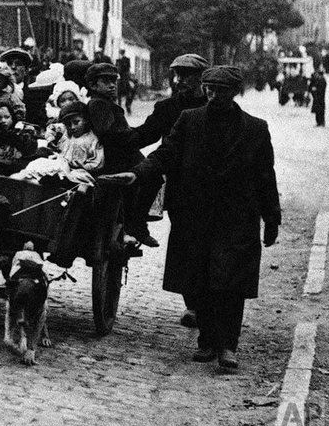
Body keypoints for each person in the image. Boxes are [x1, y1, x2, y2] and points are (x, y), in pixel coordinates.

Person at [113, 65, 281, 373]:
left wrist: (272, 219)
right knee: (200, 278)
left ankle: (228, 346)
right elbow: (166, 153)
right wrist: (137, 174)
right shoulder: (189, 121)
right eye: (210, 89)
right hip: (196, 213)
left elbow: (265, 176)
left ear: (235, 93)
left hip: (237, 215)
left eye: (222, 90)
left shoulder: (255, 129)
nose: (214, 95)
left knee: (231, 282)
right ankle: (206, 340)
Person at [129, 52, 210, 324]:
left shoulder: (213, 107)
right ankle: (193, 305)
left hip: (212, 186)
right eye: (178, 76)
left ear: (201, 78)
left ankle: (211, 302)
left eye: (187, 76)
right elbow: (144, 136)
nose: (181, 81)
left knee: (210, 244)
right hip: (180, 185)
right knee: (185, 243)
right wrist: (112, 139)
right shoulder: (167, 109)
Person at [84, 62, 153, 247]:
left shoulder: (106, 103)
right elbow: (109, 134)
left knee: (149, 172)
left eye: (114, 80)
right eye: (105, 81)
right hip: (114, 158)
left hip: (121, 154)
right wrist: (136, 135)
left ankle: (137, 221)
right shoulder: (98, 104)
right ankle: (136, 224)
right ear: (92, 85)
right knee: (149, 175)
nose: (112, 85)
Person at [57, 101, 104, 174]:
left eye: (76, 122)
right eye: (68, 124)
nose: (72, 127)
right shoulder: (67, 135)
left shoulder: (92, 140)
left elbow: (98, 163)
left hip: (82, 173)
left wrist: (84, 167)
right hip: (63, 169)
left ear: (85, 120)